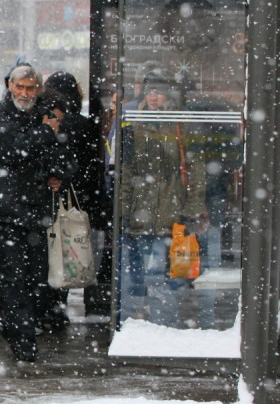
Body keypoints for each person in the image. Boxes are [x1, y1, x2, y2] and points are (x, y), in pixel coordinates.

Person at [0, 64, 72, 364]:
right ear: (9, 85)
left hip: (37, 210)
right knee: (14, 278)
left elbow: (60, 155)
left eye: (31, 87)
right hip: (8, 210)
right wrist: (45, 132)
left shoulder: (43, 114)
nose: (24, 93)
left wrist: (57, 172)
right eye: (20, 86)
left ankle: (23, 329)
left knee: (36, 277)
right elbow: (9, 150)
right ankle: (22, 339)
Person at [120, 70, 207, 327]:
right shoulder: (134, 122)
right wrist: (124, 208)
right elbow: (126, 170)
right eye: (150, 91)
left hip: (171, 211)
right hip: (141, 208)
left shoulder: (180, 123)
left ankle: (164, 326)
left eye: (158, 91)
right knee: (137, 275)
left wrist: (191, 209)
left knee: (164, 274)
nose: (154, 97)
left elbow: (195, 169)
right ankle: (136, 325)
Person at [43, 71, 109, 320]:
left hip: (59, 197)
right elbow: (92, 165)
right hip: (83, 200)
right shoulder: (86, 125)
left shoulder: (54, 124)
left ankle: (55, 308)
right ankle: (87, 301)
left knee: (57, 252)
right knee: (79, 252)